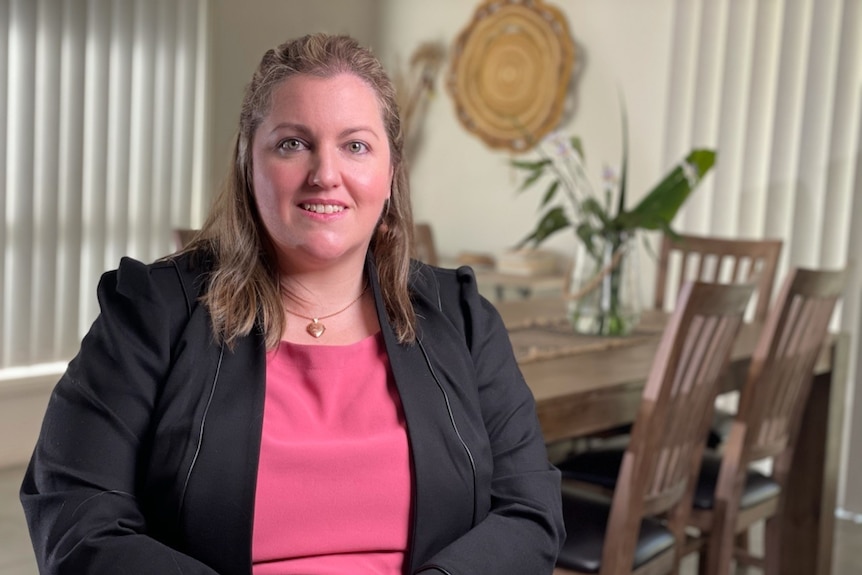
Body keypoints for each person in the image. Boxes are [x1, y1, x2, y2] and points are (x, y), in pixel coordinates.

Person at [20, 33, 565, 574]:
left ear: (390, 171)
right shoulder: (151, 312)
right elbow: (76, 516)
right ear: (247, 162)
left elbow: (529, 511)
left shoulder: (463, 317)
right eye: (292, 144)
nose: (325, 175)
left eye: (355, 145)